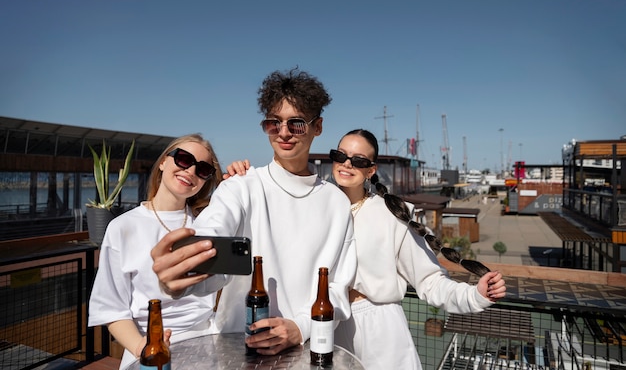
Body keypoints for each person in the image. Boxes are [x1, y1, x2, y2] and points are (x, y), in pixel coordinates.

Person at [150, 68, 357, 356]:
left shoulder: (336, 202)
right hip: (237, 347)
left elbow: (338, 285)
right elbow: (214, 235)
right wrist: (182, 269)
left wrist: (300, 327)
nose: (283, 132)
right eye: (274, 123)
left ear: (317, 126)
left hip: (305, 351)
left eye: (296, 124)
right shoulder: (240, 187)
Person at [330, 129, 506, 369]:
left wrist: (475, 295)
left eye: (358, 160)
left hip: (379, 329)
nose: (346, 164)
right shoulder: (318, 208)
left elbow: (430, 281)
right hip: (327, 326)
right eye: (340, 156)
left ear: (371, 170)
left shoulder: (390, 214)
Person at [88, 134, 227, 369]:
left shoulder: (207, 227)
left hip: (208, 345)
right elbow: (111, 307)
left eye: (203, 169)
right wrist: (144, 347)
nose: (191, 170)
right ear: (163, 162)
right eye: (184, 159)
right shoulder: (123, 226)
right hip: (148, 348)